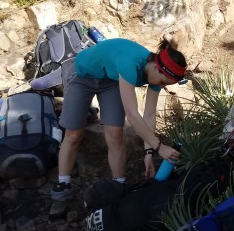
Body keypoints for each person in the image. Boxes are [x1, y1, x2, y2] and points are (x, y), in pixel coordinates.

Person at [51, 38, 187, 201]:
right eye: (163, 81)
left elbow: (149, 114)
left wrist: (148, 152)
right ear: (156, 67)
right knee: (74, 134)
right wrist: (160, 147)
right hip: (82, 74)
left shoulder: (156, 73)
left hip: (111, 79)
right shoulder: (130, 63)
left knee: (115, 133)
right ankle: (63, 183)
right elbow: (132, 114)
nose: (162, 85)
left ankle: (118, 185)